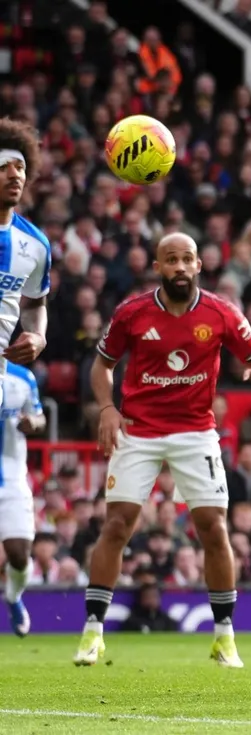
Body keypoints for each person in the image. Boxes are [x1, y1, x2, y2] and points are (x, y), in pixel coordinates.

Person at [74, 232, 251, 668]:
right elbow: (102, 365)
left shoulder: (222, 312)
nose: (180, 267)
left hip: (196, 432)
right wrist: (107, 408)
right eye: (171, 260)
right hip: (139, 430)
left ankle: (224, 637)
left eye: (187, 259)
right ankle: (93, 631)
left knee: (213, 527)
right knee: (117, 526)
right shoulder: (132, 312)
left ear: (199, 265)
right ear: (157, 266)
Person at [0, 118, 53, 635]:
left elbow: (36, 308)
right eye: (3, 166)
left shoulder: (33, 244)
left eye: (20, 166)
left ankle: (15, 599)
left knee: (18, 551)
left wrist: (37, 337)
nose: (14, 174)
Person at [1, 365, 46, 636]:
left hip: (13, 477)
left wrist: (33, 423)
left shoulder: (22, 377)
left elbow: (39, 417)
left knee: (18, 555)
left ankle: (13, 596)